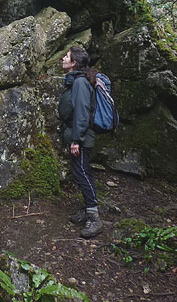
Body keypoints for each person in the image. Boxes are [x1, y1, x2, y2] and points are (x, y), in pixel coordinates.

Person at [58, 46, 103, 238]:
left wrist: (76, 140)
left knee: (82, 173)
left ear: (74, 63)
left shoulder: (80, 83)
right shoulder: (75, 81)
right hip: (78, 136)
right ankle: (87, 211)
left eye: (66, 56)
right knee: (81, 173)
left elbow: (82, 114)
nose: (63, 58)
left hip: (82, 138)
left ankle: (94, 217)